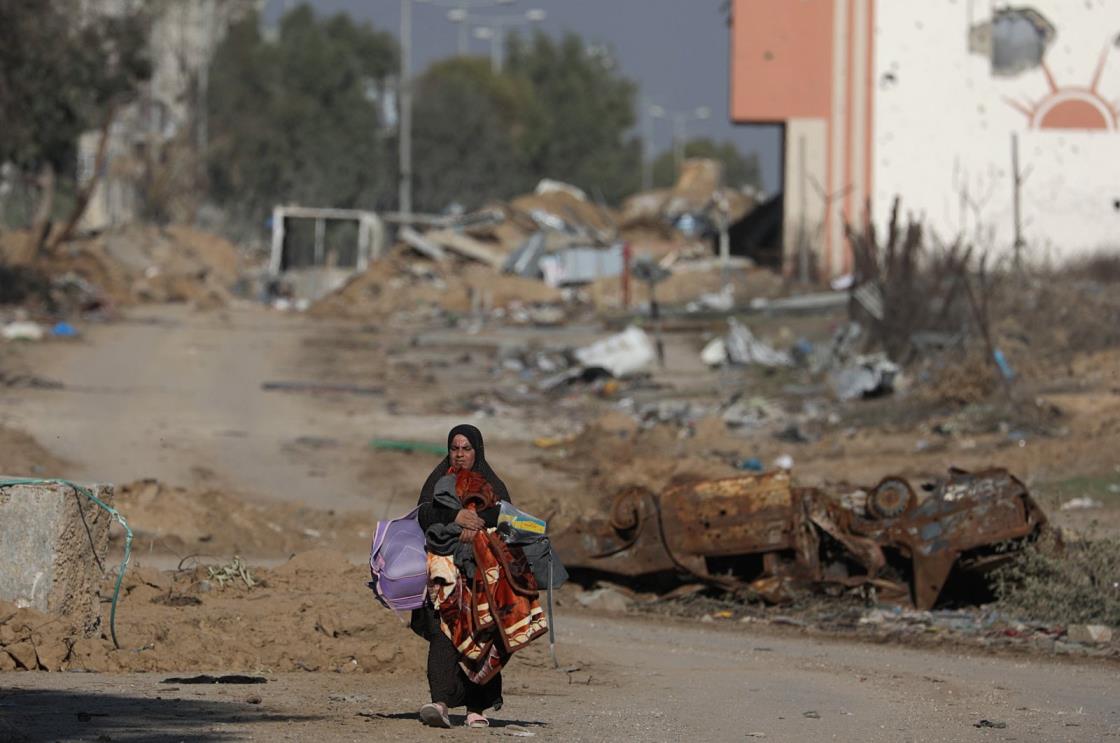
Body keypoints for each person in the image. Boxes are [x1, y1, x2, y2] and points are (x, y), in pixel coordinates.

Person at [412, 424, 546, 729]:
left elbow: (505, 516)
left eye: (466, 449)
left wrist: (478, 526)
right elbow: (423, 513)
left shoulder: (492, 482)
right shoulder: (438, 479)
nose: (460, 455)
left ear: (477, 451)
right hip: (444, 572)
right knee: (443, 631)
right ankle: (441, 702)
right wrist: (455, 517)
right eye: (455, 449)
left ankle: (476, 707)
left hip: (484, 578)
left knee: (486, 633)